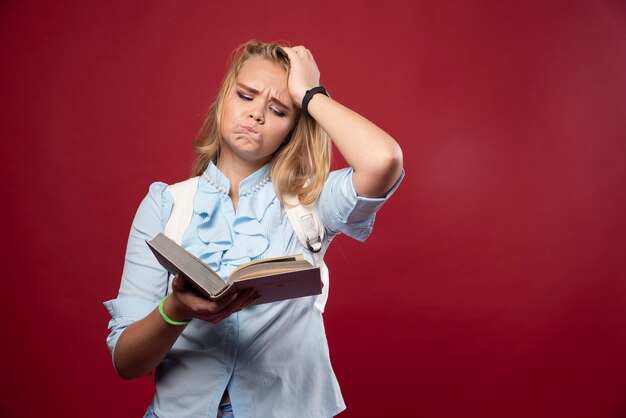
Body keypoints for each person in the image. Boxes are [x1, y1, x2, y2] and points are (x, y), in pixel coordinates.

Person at [104, 40, 404, 418]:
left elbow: (383, 159)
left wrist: (310, 95)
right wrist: (176, 309)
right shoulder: (165, 205)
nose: (256, 114)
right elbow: (126, 362)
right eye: (246, 96)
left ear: (293, 129)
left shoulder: (310, 199)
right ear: (224, 99)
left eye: (279, 110)